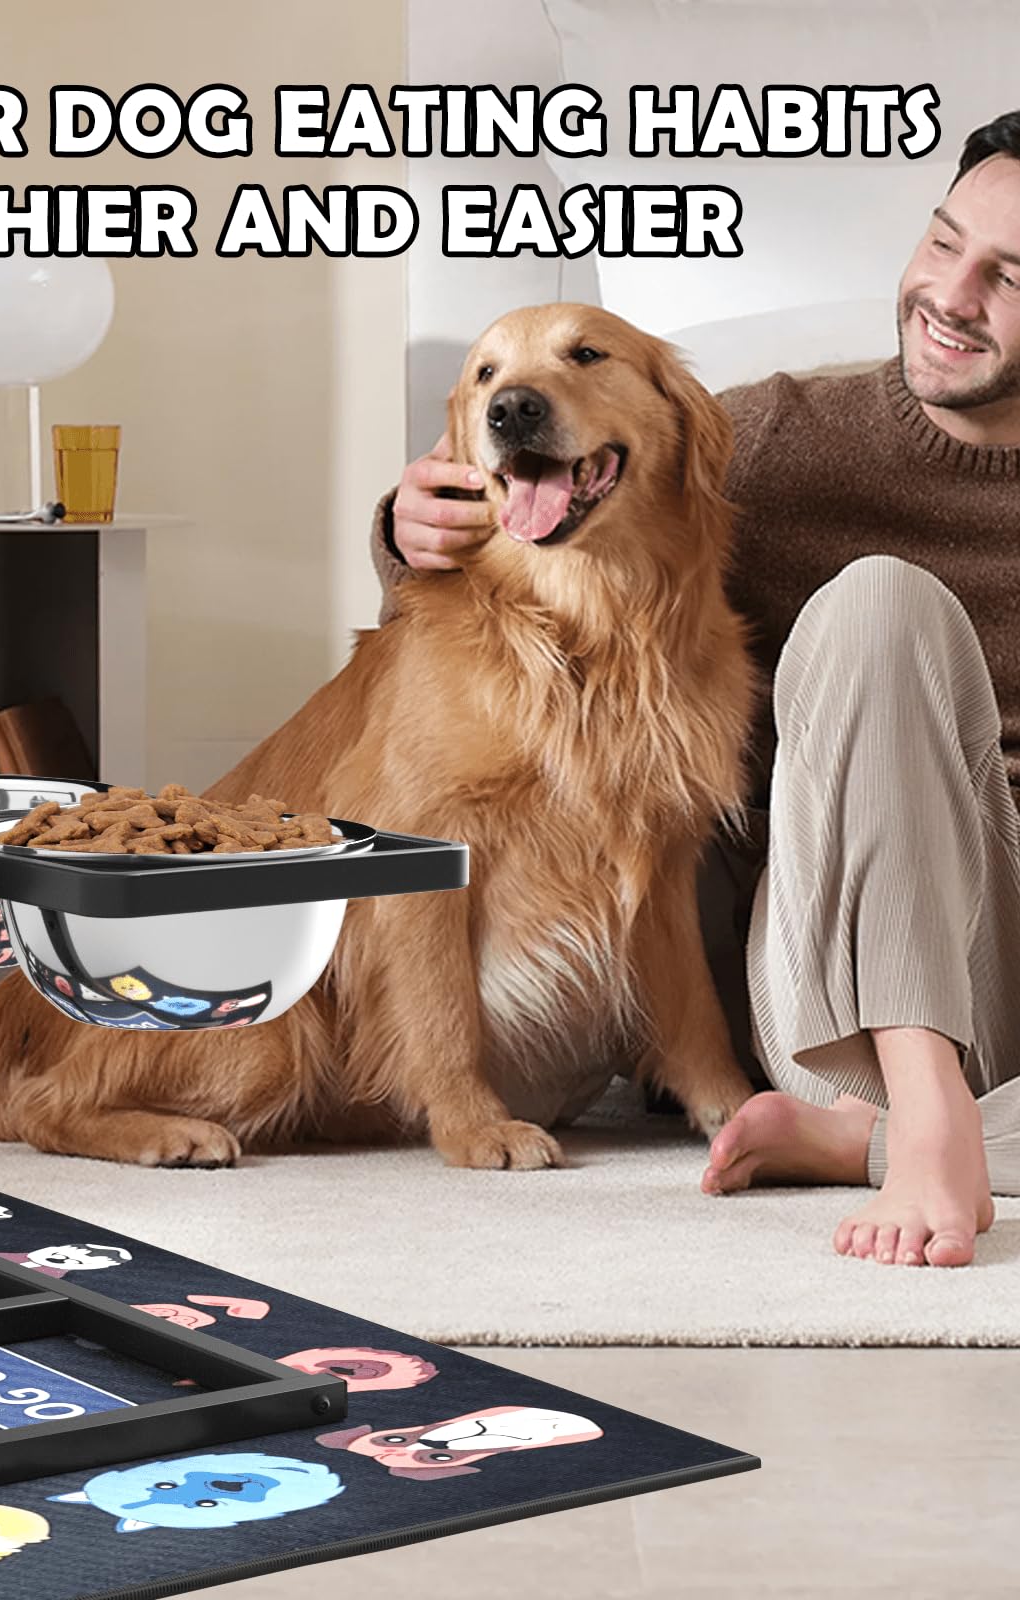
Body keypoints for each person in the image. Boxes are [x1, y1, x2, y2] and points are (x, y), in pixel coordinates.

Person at [371, 111, 1020, 1269]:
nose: (950, 295)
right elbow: (501, 597)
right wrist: (403, 533)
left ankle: (865, 1142)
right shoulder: (755, 439)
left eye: (1007, 275)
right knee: (879, 604)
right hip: (841, 981)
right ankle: (919, 1111)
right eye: (941, 242)